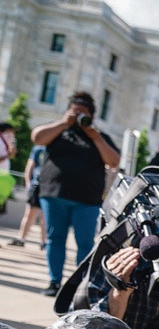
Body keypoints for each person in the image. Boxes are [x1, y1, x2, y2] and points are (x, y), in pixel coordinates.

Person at [30, 91, 121, 296]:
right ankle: (54, 281)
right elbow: (37, 137)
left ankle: (81, 285)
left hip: (87, 199)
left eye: (82, 113)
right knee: (56, 238)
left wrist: (94, 135)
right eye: (74, 112)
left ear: (91, 116)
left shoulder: (99, 137)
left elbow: (114, 161)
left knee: (86, 243)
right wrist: (64, 122)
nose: (77, 117)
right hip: (54, 194)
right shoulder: (58, 131)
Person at [11, 144, 47, 249]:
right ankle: (21, 238)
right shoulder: (38, 148)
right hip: (36, 185)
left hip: (49, 187)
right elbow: (30, 166)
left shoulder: (58, 146)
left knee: (45, 216)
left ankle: (44, 241)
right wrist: (28, 184)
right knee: (30, 213)